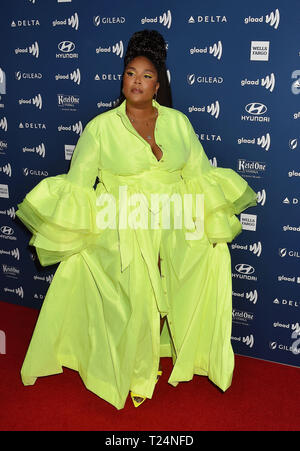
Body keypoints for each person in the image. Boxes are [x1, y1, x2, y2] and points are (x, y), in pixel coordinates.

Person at [16, 30, 257, 410]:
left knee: (210, 259)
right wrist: (78, 234)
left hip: (176, 221)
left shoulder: (178, 124)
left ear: (157, 85)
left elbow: (197, 176)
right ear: (122, 78)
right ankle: (128, 364)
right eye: (131, 73)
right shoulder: (100, 127)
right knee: (132, 294)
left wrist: (209, 227)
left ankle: (193, 354)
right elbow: (79, 185)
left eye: (146, 76)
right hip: (122, 223)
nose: (137, 82)